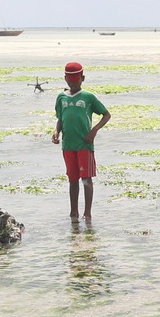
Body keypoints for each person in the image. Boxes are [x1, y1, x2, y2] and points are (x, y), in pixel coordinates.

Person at [52, 61, 111, 219]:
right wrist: (56, 131)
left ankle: (87, 214)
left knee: (86, 179)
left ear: (82, 79)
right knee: (72, 180)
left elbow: (106, 115)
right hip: (68, 145)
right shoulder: (61, 98)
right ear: (65, 79)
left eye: (76, 80)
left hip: (84, 143)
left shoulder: (88, 97)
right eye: (70, 81)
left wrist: (94, 131)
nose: (73, 83)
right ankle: (73, 213)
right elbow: (60, 118)